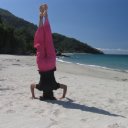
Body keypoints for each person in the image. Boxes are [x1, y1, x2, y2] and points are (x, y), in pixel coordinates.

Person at [30, 4, 67, 100]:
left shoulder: (54, 86)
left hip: (50, 64)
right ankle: (41, 18)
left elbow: (65, 87)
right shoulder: (40, 87)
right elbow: (31, 86)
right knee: (40, 41)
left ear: (52, 94)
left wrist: (63, 96)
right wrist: (33, 96)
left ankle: (46, 15)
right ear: (43, 94)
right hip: (42, 65)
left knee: (48, 40)